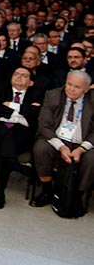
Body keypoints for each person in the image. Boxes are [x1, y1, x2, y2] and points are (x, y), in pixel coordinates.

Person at [29, 70, 94, 208]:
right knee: (41, 148)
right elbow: (44, 125)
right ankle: (47, 191)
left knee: (92, 158)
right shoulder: (53, 95)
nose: (71, 89)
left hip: (83, 142)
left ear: (87, 89)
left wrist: (82, 149)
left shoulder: (92, 100)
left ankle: (76, 197)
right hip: (58, 139)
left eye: (77, 87)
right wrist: (61, 147)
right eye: (69, 84)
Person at [0, 67, 44, 209]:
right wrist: (23, 110)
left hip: (21, 134)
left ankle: (0, 192)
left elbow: (35, 114)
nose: (18, 77)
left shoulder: (38, 93)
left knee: (4, 148)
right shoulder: (1, 89)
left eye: (24, 75)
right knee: (5, 135)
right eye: (16, 74)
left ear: (30, 82)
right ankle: (15, 166)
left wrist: (10, 105)